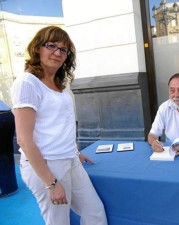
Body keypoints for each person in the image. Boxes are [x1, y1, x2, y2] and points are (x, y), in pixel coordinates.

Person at [10, 26, 107, 225]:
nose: (57, 53)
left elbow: (58, 125)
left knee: (94, 212)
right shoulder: (28, 83)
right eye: (51, 46)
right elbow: (24, 140)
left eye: (63, 50)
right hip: (47, 165)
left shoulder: (58, 84)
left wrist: (75, 151)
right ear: (38, 48)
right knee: (59, 222)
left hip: (70, 159)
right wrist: (51, 182)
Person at [0, 100, 18, 198]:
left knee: (2, 155)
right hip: (9, 115)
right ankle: (11, 186)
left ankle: (8, 188)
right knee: (7, 151)